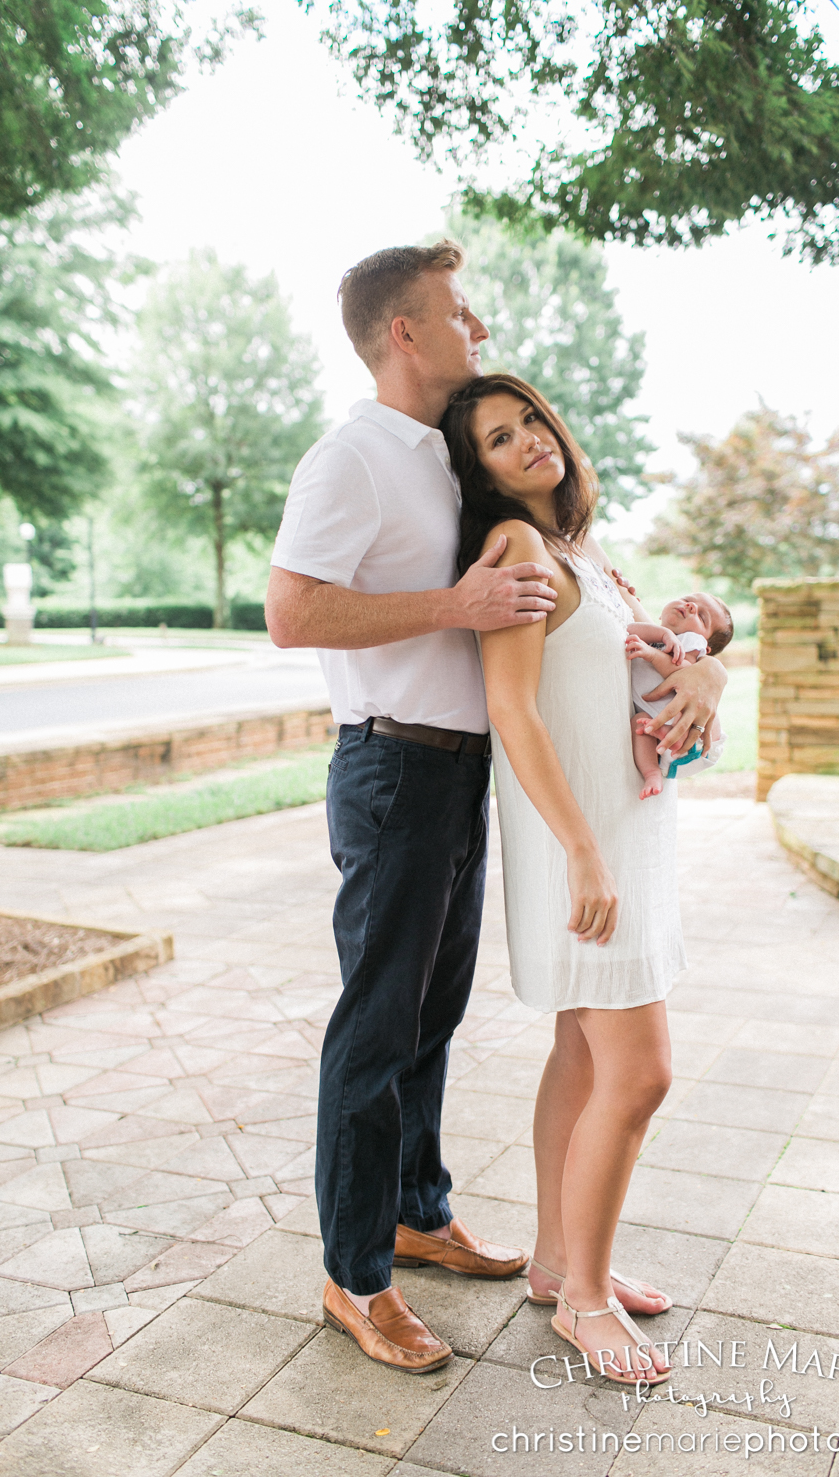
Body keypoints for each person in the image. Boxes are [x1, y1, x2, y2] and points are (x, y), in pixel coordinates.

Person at [265, 244, 724, 1374]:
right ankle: (355, 1275)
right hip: (392, 769)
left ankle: (418, 1210)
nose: (478, 323)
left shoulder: (442, 458)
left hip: (466, 776)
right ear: (405, 331)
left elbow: (573, 628)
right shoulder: (352, 460)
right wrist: (455, 602)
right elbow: (289, 613)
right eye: (458, 312)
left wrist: (703, 644)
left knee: (431, 1020)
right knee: (375, 1027)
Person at [440, 372, 727, 1386]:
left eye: (530, 423)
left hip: (619, 832)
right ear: (478, 474)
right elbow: (513, 710)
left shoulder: (578, 551)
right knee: (639, 1073)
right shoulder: (514, 550)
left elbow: (618, 676)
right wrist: (580, 851)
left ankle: (560, 1263)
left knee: (579, 1045)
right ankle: (587, 1305)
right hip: (582, 844)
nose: (526, 443)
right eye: (497, 440)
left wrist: (701, 644)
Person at [625, 594, 733, 796]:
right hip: (658, 721)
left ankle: (671, 735)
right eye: (687, 599)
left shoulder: (690, 642)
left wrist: (652, 654)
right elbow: (627, 629)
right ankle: (651, 772)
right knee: (640, 724)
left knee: (684, 718)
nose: (691, 606)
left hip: (694, 733)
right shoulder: (658, 634)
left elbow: (683, 672)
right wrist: (660, 632)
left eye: (702, 617)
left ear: (705, 646)